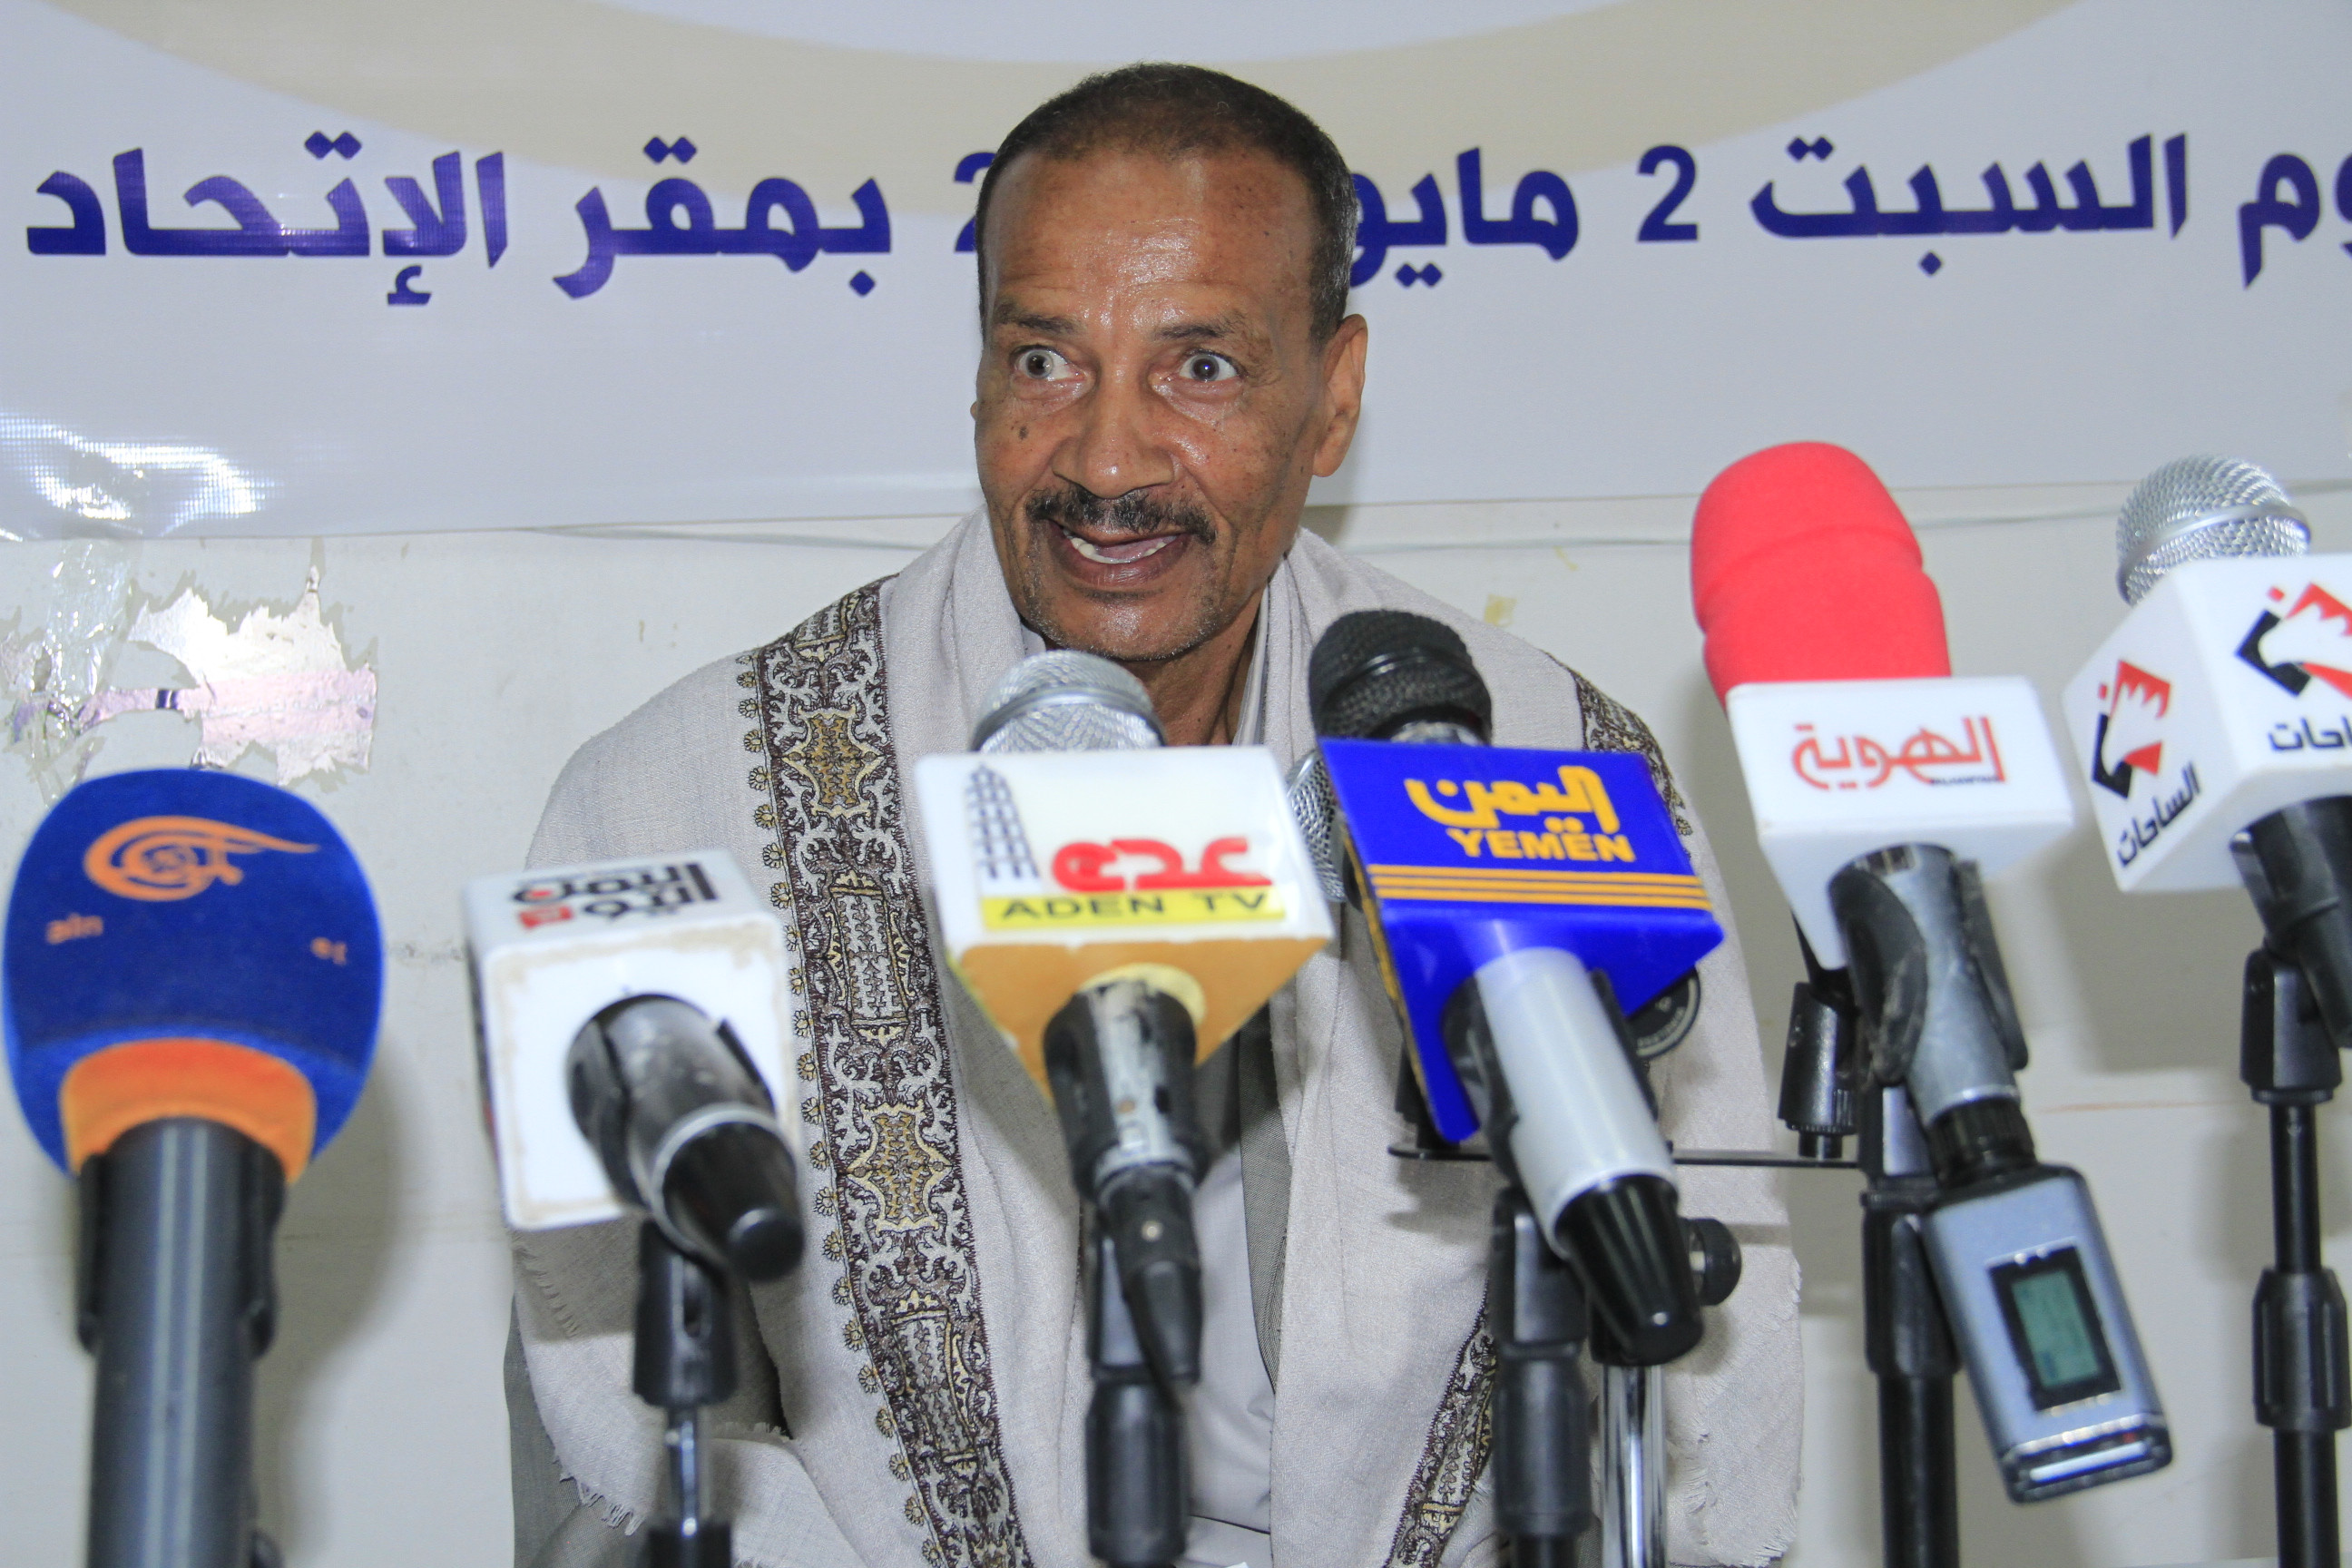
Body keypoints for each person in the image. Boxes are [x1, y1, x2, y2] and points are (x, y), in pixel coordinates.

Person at [507, 64, 1798, 1568]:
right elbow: (620, 1401)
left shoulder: (1548, 767)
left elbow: (1711, 1340)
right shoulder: (667, 808)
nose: (1107, 461)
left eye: (1201, 368)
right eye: (1044, 360)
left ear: (1334, 397)